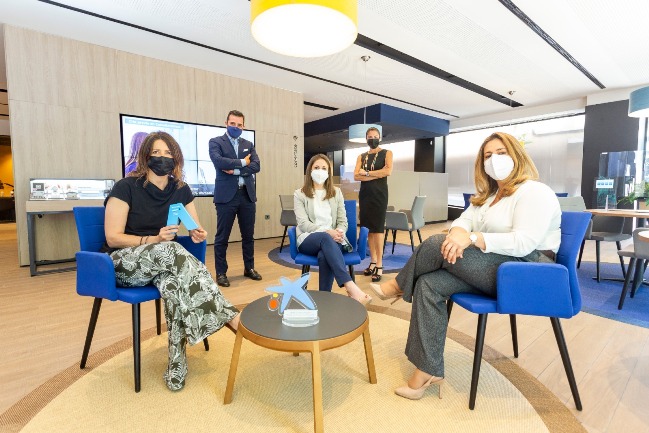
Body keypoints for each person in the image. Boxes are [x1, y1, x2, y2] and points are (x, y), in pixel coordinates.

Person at [370, 132, 561, 400]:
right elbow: (463, 221)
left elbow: (524, 243)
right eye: (488, 155)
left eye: (501, 153)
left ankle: (399, 285)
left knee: (436, 243)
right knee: (428, 283)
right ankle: (427, 370)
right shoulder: (490, 196)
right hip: (494, 266)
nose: (494, 160)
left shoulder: (535, 191)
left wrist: (471, 238)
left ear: (516, 155)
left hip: (528, 272)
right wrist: (460, 234)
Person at [103, 131, 240, 391]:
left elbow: (195, 227)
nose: (162, 157)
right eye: (156, 152)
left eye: (167, 153)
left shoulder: (180, 189)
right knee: (170, 250)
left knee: (173, 285)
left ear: (176, 158)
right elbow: (113, 237)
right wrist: (153, 240)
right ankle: (228, 317)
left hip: (166, 264)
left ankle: (177, 364)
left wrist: (198, 234)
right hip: (124, 263)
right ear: (145, 156)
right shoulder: (126, 186)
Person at [294, 154, 373, 306]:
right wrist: (327, 232)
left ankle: (324, 301)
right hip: (309, 238)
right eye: (316, 167)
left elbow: (343, 221)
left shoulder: (336, 192)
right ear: (310, 170)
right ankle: (350, 286)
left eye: (324, 168)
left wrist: (339, 232)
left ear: (329, 172)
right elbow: (303, 224)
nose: (320, 171)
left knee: (324, 254)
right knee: (325, 237)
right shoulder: (300, 194)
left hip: (334, 239)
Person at [209, 110, 262, 287]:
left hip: (247, 195)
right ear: (226, 123)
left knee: (248, 236)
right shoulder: (216, 142)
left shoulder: (248, 144)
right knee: (222, 237)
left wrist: (235, 170)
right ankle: (221, 273)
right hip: (226, 197)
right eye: (233, 124)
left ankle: (249, 268)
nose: (236, 127)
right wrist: (243, 162)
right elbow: (219, 162)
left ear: (243, 126)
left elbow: (257, 166)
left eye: (239, 125)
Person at [354, 127, 393, 282]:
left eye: (375, 136)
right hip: (365, 195)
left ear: (380, 138)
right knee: (368, 229)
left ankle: (380, 264)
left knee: (378, 229)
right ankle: (372, 261)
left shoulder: (387, 153)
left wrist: (367, 173)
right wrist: (376, 174)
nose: (372, 139)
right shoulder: (361, 156)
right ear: (366, 139)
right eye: (370, 137)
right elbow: (356, 176)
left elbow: (388, 171)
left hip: (379, 195)